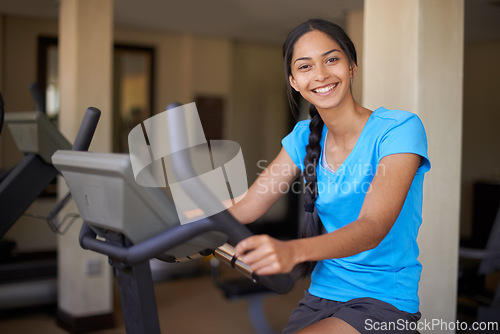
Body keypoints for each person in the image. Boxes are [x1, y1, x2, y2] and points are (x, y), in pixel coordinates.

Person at [229, 19, 430, 333]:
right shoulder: (302, 137)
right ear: (294, 81)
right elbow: (248, 204)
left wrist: (292, 250)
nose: (320, 74)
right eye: (305, 66)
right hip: (321, 293)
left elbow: (372, 228)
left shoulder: (398, 130)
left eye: (331, 60)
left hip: (382, 298)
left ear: (351, 67)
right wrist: (181, 217)